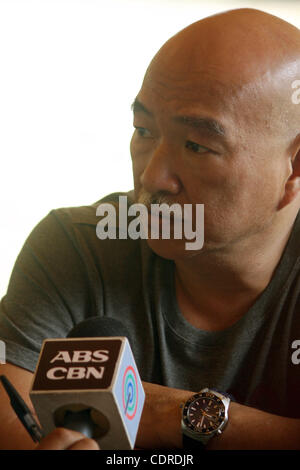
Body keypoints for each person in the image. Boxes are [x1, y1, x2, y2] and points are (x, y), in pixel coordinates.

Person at [0, 7, 300, 450]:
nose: (152, 178)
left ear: (294, 167)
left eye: (197, 145)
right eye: (143, 130)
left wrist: (182, 417)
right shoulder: (78, 247)